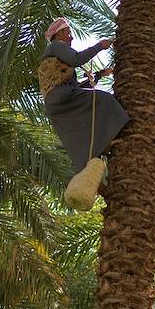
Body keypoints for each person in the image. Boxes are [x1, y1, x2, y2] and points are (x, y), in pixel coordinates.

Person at [37, 17, 129, 210]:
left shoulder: (55, 54)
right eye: (68, 32)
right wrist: (100, 46)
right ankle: (117, 133)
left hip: (58, 101)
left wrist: (99, 75)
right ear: (59, 34)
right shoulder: (56, 47)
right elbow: (77, 59)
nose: (70, 36)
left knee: (83, 127)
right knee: (102, 100)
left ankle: (100, 178)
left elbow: (76, 86)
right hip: (62, 97)